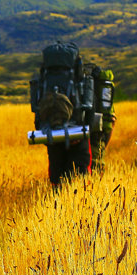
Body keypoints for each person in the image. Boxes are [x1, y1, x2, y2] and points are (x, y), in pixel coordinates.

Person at [29, 43, 115, 186]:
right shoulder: (82, 81)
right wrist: (85, 130)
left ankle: (56, 205)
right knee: (81, 182)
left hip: (53, 137)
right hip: (78, 137)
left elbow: (37, 111)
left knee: (57, 181)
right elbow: (89, 109)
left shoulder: (44, 83)